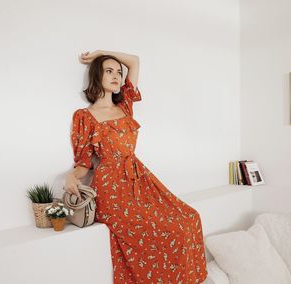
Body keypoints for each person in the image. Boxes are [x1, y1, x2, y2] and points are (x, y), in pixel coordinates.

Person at [64, 50, 208, 283]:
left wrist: (101, 53)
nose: (116, 77)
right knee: (169, 231)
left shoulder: (125, 107)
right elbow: (84, 163)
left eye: (118, 73)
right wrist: (72, 177)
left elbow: (135, 61)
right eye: (108, 71)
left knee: (190, 218)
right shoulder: (85, 116)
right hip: (112, 189)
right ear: (96, 75)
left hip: (140, 179)